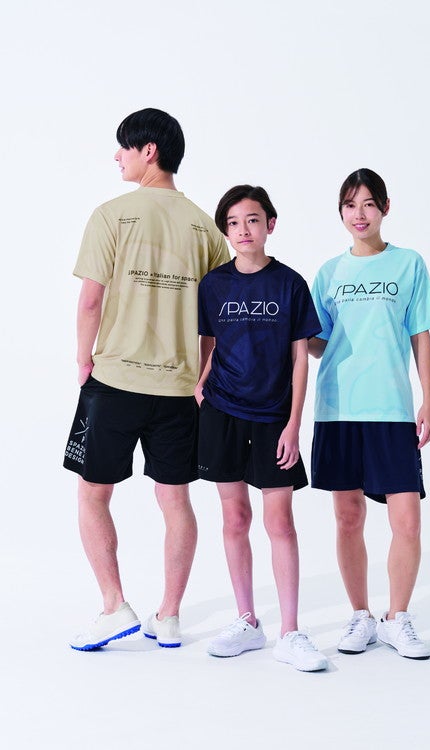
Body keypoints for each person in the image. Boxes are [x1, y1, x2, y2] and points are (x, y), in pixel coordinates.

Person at [63, 108, 230, 651]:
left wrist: (83, 360)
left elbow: (91, 300)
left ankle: (115, 606)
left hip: (114, 380)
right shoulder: (207, 228)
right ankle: (170, 616)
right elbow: (215, 321)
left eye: (124, 147)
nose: (117, 156)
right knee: (175, 500)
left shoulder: (111, 215)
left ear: (149, 150)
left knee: (93, 494)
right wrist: (201, 375)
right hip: (179, 389)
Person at [309, 168, 430, 660]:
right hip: (337, 409)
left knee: (407, 520)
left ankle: (397, 618)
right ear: (341, 212)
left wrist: (429, 399)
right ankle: (361, 616)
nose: (359, 214)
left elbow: (420, 334)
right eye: (350, 205)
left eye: (368, 203)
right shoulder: (329, 273)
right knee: (348, 518)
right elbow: (319, 343)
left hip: (391, 408)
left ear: (385, 207)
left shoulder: (408, 264)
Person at [195, 185, 327, 672]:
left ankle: (290, 631)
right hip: (222, 414)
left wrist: (294, 423)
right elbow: (209, 344)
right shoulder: (213, 285)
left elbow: (301, 359)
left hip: (274, 417)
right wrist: (200, 386)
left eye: (252, 220)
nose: (243, 230)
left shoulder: (289, 284)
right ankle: (247, 621)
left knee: (279, 523)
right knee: (234, 519)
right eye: (232, 223)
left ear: (270, 224)